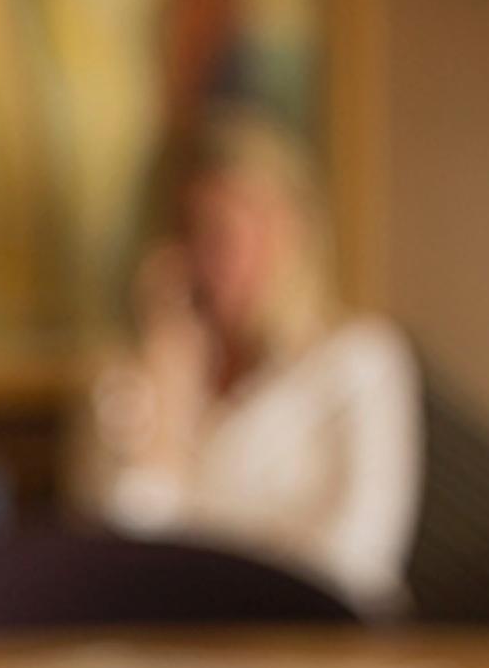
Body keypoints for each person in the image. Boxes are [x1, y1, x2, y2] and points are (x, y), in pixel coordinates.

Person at [69, 108, 421, 614]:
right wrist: (168, 390)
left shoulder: (360, 360)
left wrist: (205, 577)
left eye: (235, 231)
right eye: (199, 231)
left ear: (294, 234)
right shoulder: (124, 380)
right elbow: (111, 557)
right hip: (168, 653)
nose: (220, 257)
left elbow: (355, 562)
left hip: (321, 652)